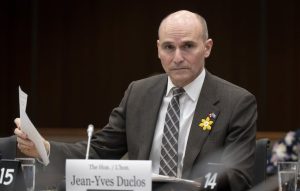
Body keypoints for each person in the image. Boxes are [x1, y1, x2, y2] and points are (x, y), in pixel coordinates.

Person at [14, 10, 257, 190]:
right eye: (169, 47)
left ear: (207, 47)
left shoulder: (236, 102)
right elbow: (98, 152)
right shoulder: (139, 93)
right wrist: (45, 148)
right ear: (158, 49)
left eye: (188, 46)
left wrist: (191, 185)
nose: (178, 57)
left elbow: (238, 176)